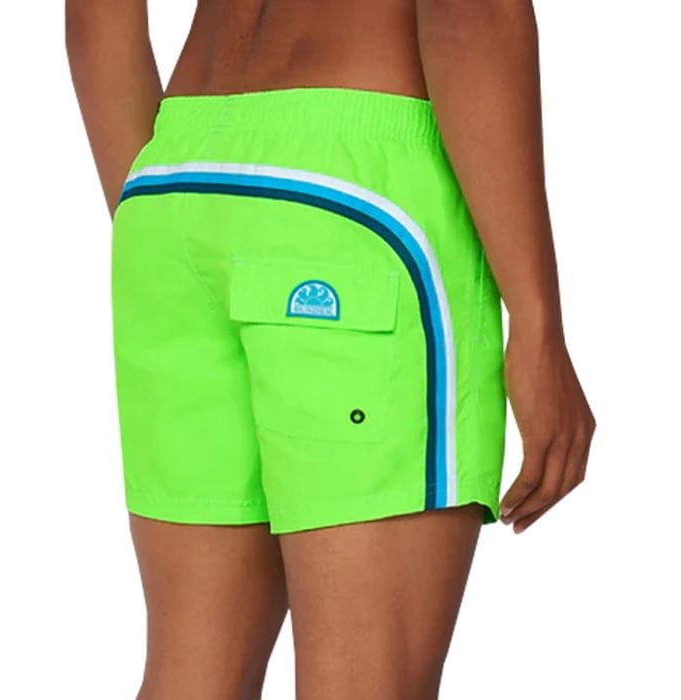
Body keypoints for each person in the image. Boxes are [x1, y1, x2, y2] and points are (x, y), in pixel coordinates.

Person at [66, 1, 596, 698]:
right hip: (352, 195)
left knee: (190, 676)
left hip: (176, 182)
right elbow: (468, 10)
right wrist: (537, 323)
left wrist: (173, 221)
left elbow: (94, 14)